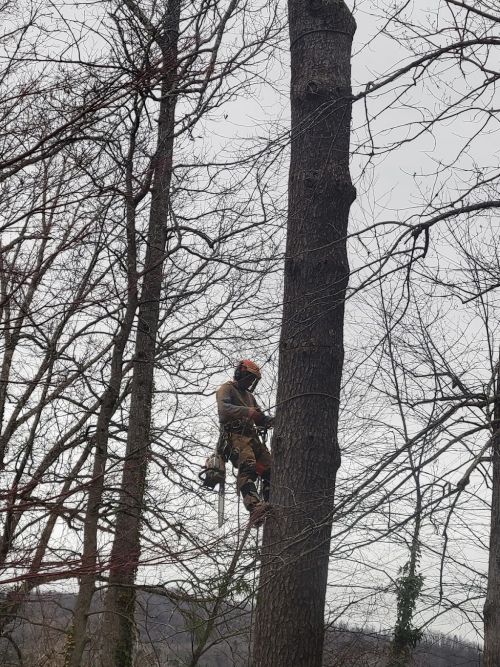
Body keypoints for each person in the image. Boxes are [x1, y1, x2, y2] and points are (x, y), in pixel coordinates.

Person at [216, 360, 274, 523]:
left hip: (252, 437)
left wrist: (271, 420)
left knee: (271, 469)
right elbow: (223, 409)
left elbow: (260, 418)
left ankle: (271, 502)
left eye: (252, 379)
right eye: (248, 377)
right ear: (240, 372)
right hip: (235, 436)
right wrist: (247, 412)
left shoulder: (250, 397)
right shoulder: (226, 388)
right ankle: (255, 507)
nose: (249, 382)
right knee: (248, 467)